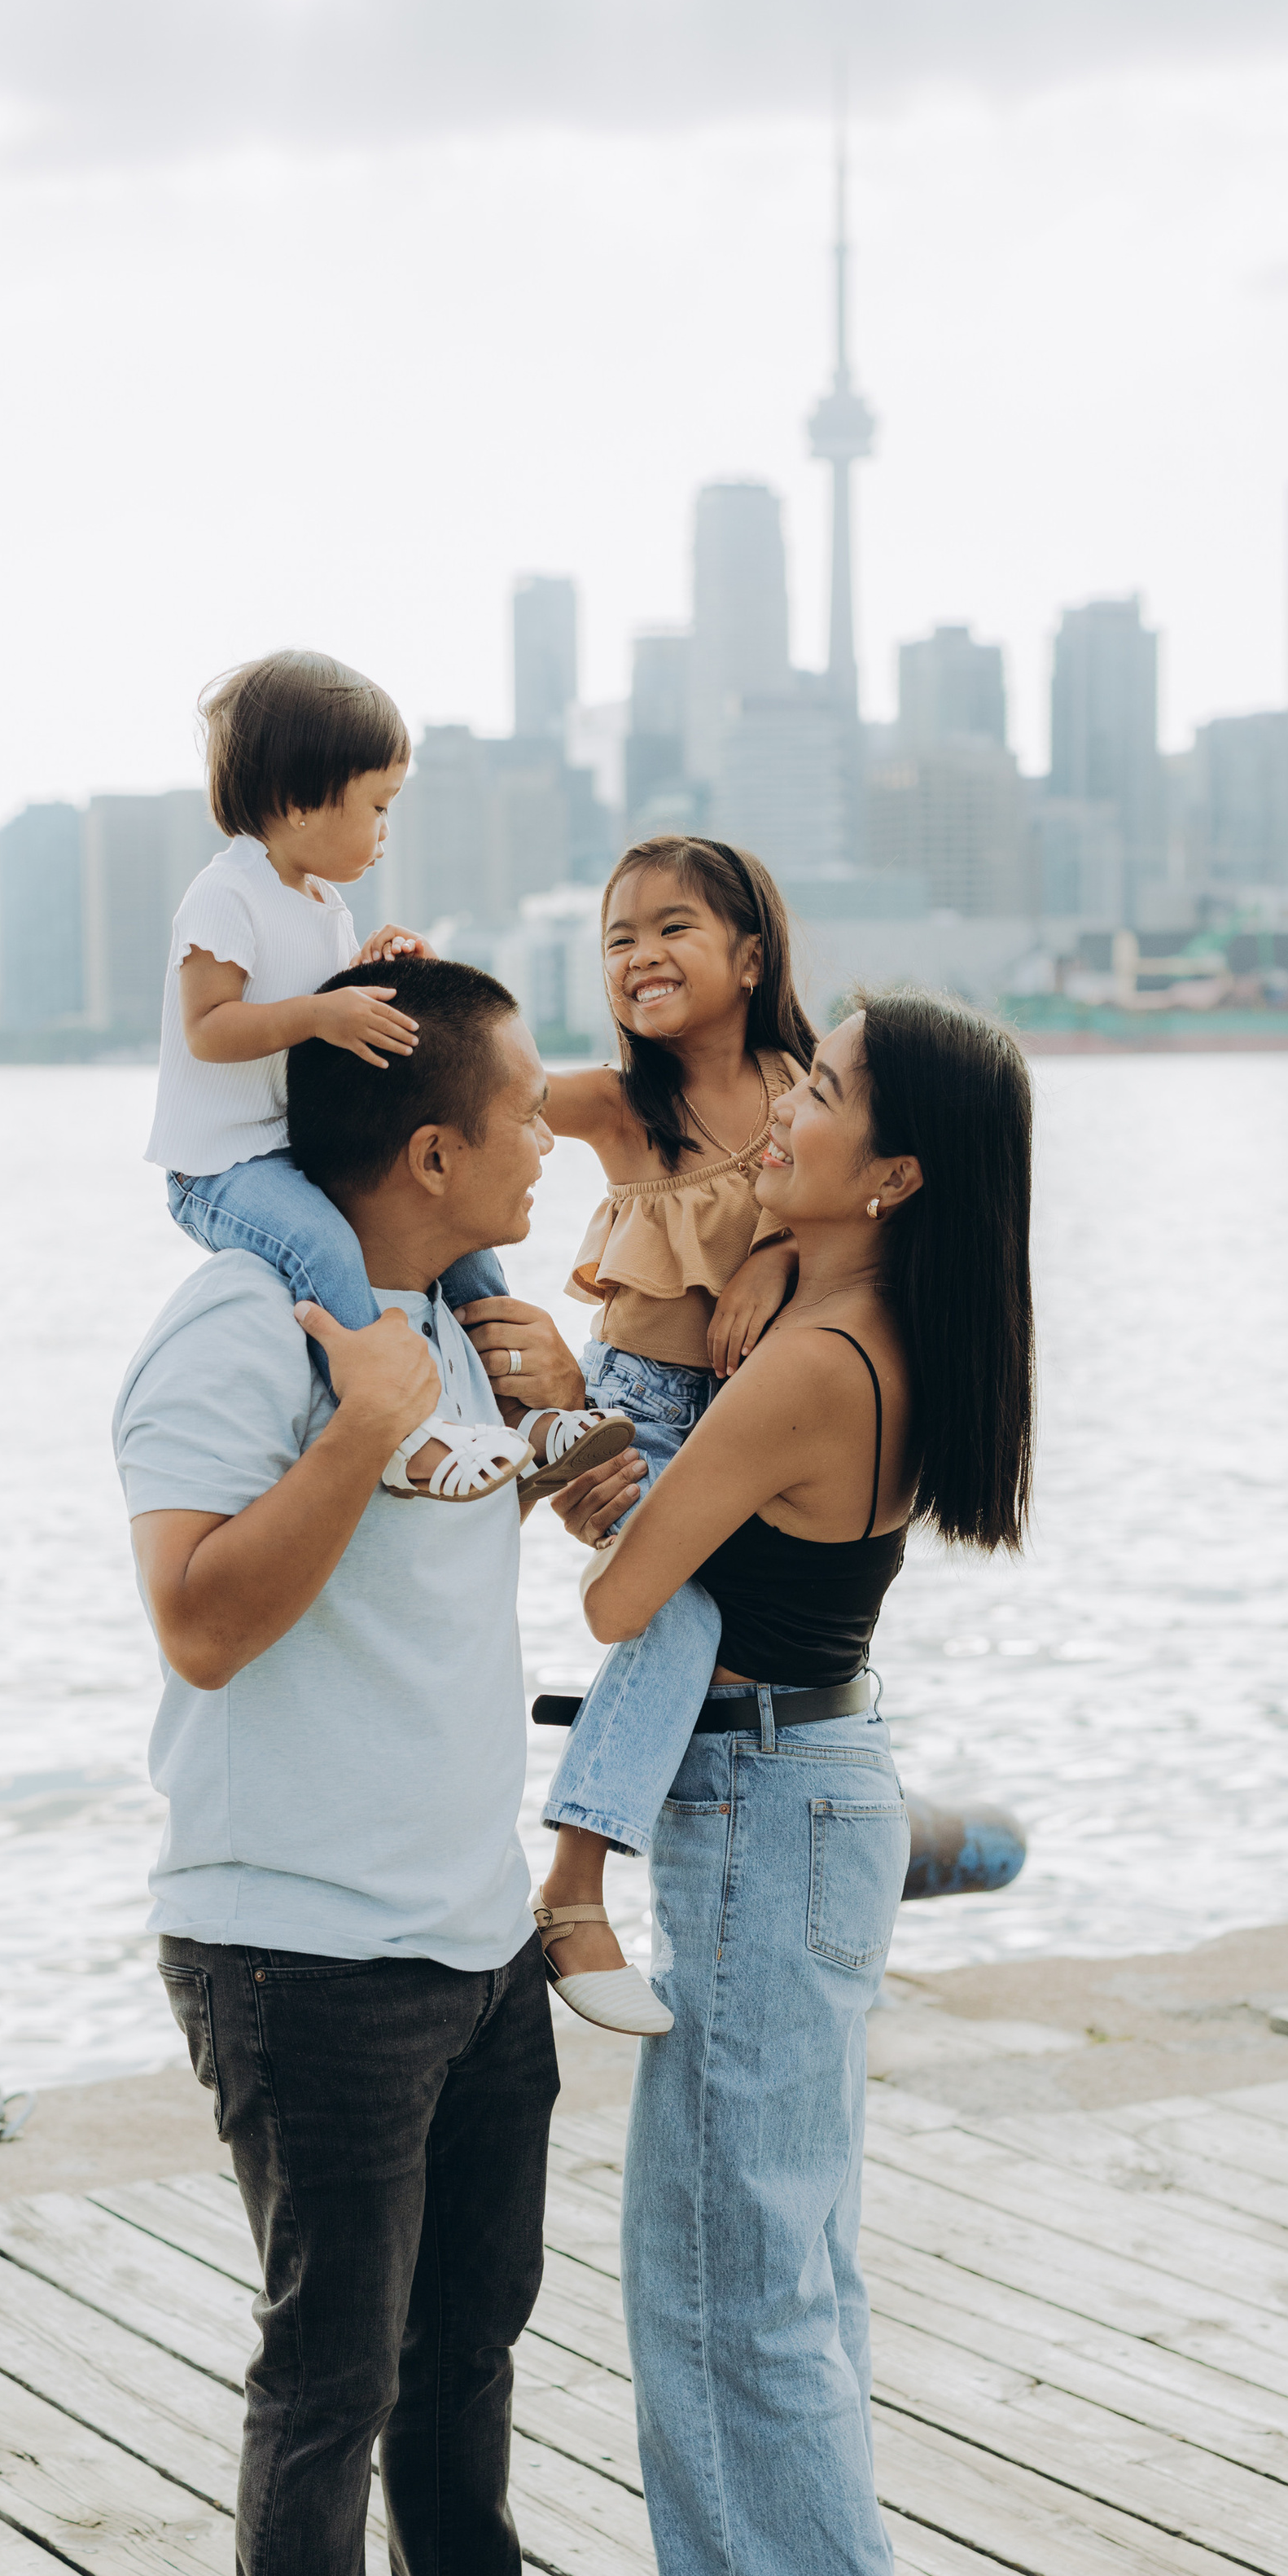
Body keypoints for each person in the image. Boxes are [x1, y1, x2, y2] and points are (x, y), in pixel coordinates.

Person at [115, 955, 684, 2576]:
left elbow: (499, 1534)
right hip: (295, 1947)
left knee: (467, 2329)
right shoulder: (237, 1335)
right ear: (432, 1144)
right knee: (327, 2365)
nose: (554, 1126)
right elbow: (196, 1619)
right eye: (527, 1103)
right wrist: (352, 1431)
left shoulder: (456, 1322)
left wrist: (569, 1442)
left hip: (464, 1931)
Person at [548, 989, 1036, 2576]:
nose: (782, 1112)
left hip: (756, 1809)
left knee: (714, 2271)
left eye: (819, 1094)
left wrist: (557, 1431)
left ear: (892, 1169)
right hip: (819, 1789)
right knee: (785, 2259)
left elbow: (619, 1601)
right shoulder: (873, 1329)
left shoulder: (809, 1365)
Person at [149, 645, 629, 1507]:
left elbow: (330, 1006)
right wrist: (318, 1015)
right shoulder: (223, 897)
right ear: (299, 803)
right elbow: (210, 1029)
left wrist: (370, 969)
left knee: (470, 1254)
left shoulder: (321, 905)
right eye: (376, 806)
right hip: (222, 1166)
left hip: (296, 1148)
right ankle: (402, 1434)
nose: (383, 832)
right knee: (325, 1247)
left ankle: (519, 1412)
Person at [502, 835, 815, 2037]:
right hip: (630, 1415)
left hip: (742, 1432)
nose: (640, 954)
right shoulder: (629, 1104)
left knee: (727, 1623)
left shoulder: (809, 1090)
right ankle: (573, 1886)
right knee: (680, 1607)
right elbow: (491, 1092)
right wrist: (384, 983)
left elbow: (856, 1216)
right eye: (618, 938)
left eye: (672, 927)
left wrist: (778, 1254)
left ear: (748, 953)